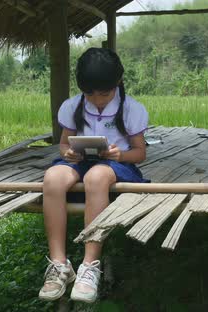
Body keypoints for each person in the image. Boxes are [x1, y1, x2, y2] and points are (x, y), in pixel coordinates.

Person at [39, 47, 149, 303]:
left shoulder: (131, 109)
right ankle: (59, 264)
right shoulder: (72, 106)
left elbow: (140, 153)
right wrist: (68, 154)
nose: (97, 99)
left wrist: (119, 155)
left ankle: (90, 266)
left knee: (96, 177)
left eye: (104, 93)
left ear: (117, 83)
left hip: (116, 167)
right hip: (81, 161)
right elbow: (64, 145)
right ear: (81, 89)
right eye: (90, 94)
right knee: (53, 177)